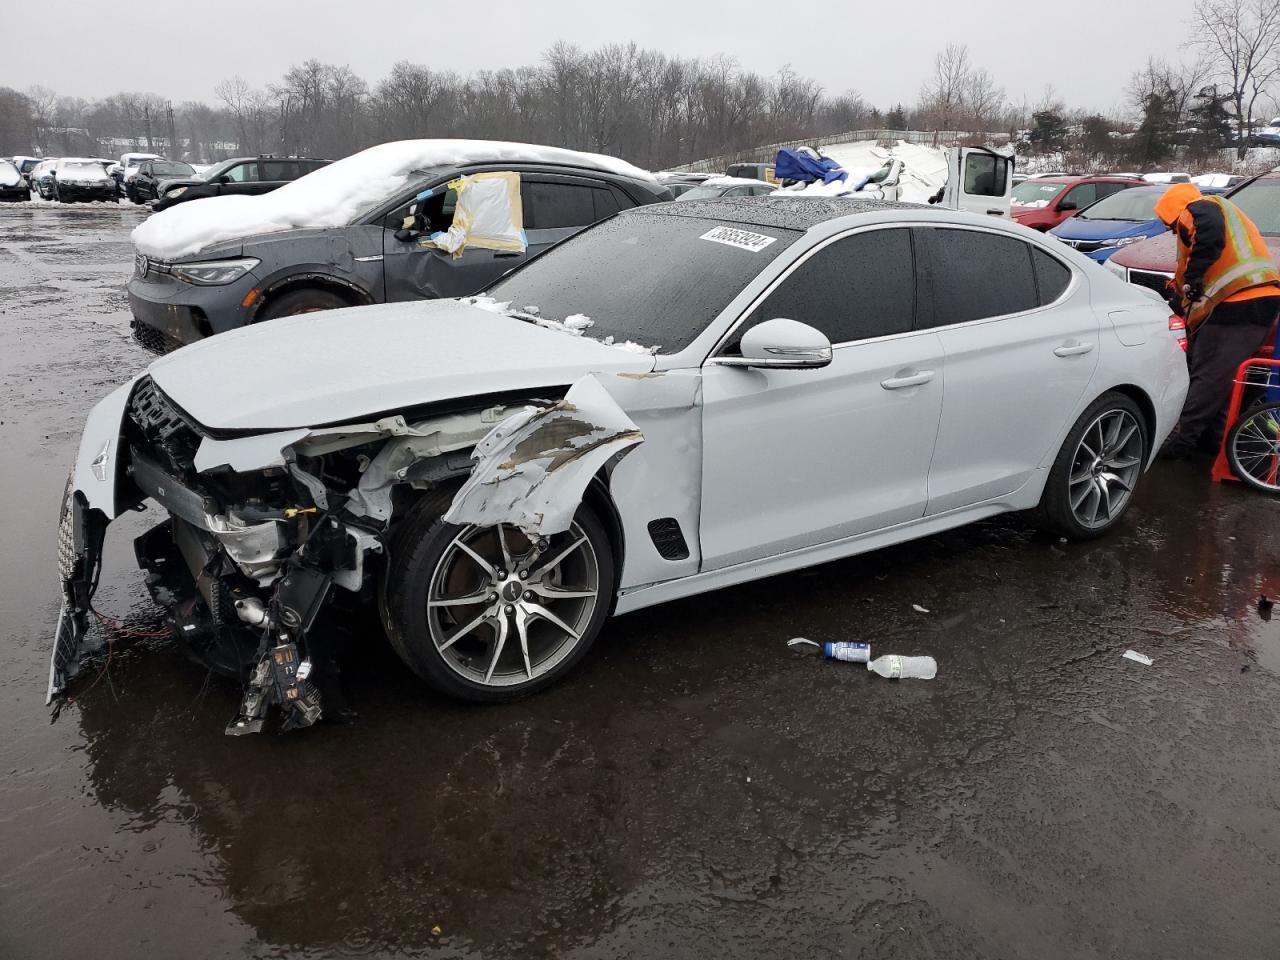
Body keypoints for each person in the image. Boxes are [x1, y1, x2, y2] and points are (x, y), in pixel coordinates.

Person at [1154, 183, 1280, 459]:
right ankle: (1212, 443)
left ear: (1173, 211)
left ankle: (1182, 441)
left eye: (1170, 225)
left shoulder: (1198, 208)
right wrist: (1180, 296)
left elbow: (1208, 236)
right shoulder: (1221, 213)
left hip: (1241, 305)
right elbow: (1187, 283)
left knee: (1208, 376)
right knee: (1222, 376)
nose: (1173, 231)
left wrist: (1195, 278)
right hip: (1255, 301)